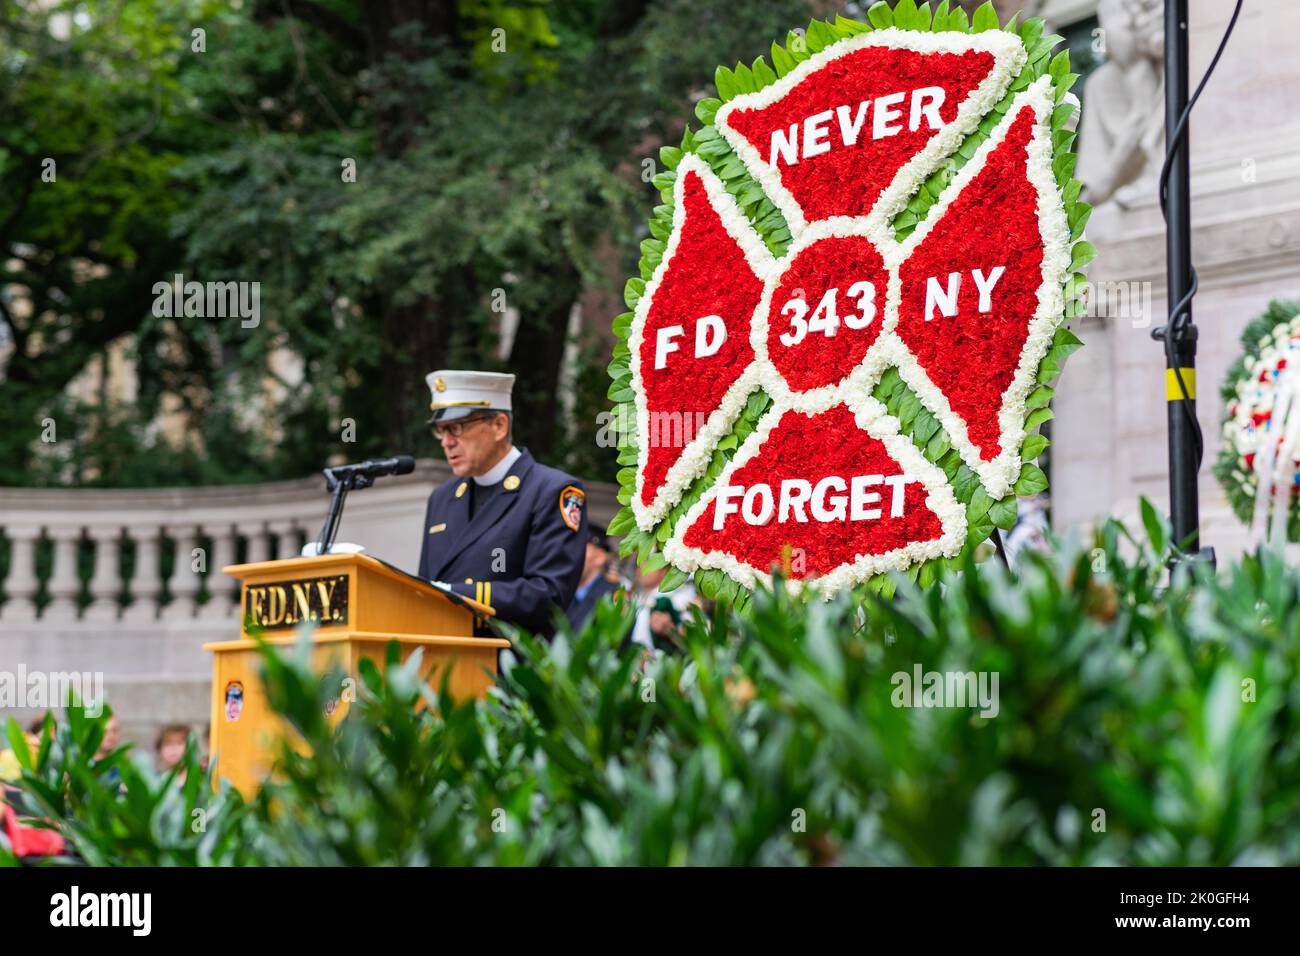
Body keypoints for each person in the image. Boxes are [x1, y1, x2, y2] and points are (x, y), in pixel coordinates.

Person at [417, 369, 587, 638]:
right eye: (441, 431)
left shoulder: (552, 491)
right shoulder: (442, 497)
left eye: (457, 428)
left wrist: (455, 594)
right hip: (446, 658)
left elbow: (549, 594)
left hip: (513, 666)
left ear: (499, 426)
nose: (447, 442)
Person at [565, 526, 623, 632]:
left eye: (580, 549)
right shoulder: (564, 589)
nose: (572, 554)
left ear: (600, 557)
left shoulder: (612, 596)